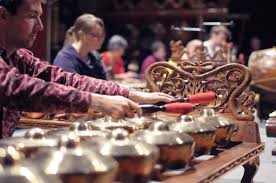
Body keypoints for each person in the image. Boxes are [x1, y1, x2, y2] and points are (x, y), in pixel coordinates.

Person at [0, 0, 173, 138]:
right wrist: (96, 101)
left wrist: (131, 94)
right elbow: (17, 88)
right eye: (31, 16)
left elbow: (64, 79)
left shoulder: (19, 57)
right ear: (3, 15)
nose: (40, 26)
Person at [53, 14, 108, 80]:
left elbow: (107, 83)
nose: (100, 39)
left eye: (101, 35)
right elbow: (71, 87)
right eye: (95, 35)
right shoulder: (64, 59)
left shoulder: (95, 57)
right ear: (81, 35)